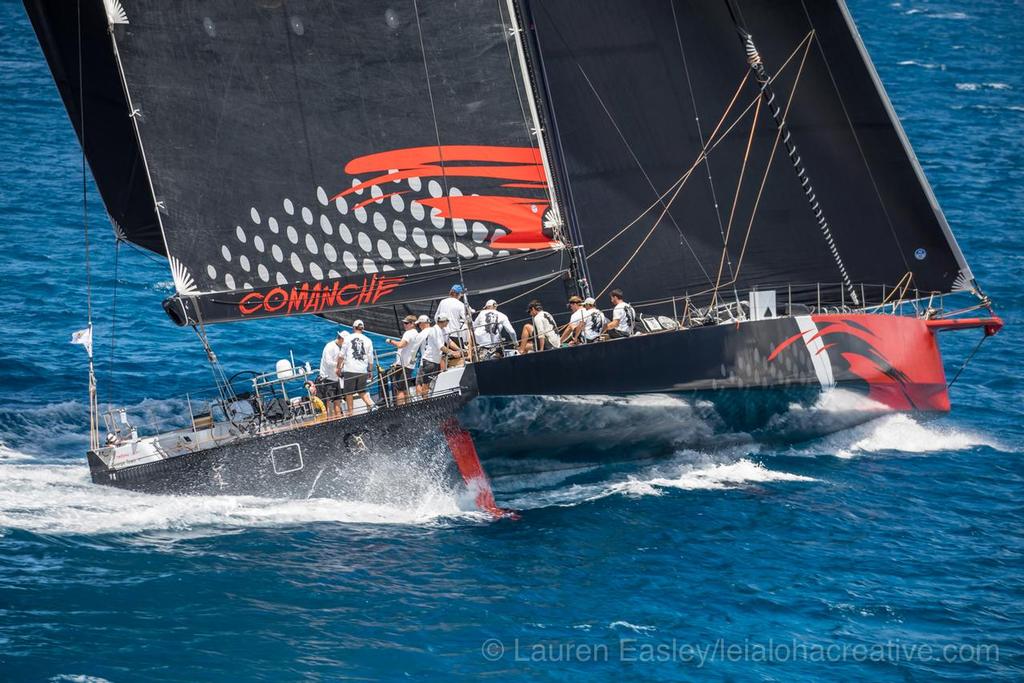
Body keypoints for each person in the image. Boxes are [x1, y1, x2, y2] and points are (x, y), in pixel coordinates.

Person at [416, 314, 461, 398]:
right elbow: (440, 346)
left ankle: (429, 399)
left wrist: (460, 349)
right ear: (444, 321)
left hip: (435, 360)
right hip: (429, 360)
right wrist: (452, 353)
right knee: (426, 383)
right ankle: (424, 402)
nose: (448, 323)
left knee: (433, 382)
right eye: (447, 321)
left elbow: (449, 341)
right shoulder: (434, 330)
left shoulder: (443, 330)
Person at [339, 320, 375, 414]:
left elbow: (341, 355)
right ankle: (372, 405)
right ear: (362, 328)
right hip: (362, 370)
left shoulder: (348, 338)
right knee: (362, 390)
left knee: (349, 393)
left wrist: (338, 368)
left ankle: (351, 413)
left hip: (350, 369)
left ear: (354, 328)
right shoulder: (368, 340)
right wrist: (370, 370)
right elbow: (370, 358)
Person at [383, 314, 420, 405]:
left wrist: (390, 341)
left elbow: (401, 345)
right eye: (404, 323)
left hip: (403, 365)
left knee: (399, 389)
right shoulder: (416, 333)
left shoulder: (409, 333)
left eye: (406, 323)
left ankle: (400, 409)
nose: (404, 325)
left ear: (412, 324)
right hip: (409, 365)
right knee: (404, 388)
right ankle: (408, 406)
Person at [435, 284, 474, 358]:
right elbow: (467, 318)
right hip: (455, 335)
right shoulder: (460, 304)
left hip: (443, 335)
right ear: (459, 294)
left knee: (447, 359)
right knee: (461, 358)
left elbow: (436, 317)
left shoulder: (442, 302)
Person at [317, 330, 346, 418]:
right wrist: (340, 365)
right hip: (327, 378)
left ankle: (339, 420)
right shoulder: (329, 346)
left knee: (337, 401)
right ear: (341, 339)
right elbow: (328, 362)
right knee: (329, 402)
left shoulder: (341, 347)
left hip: (336, 378)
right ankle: (331, 421)